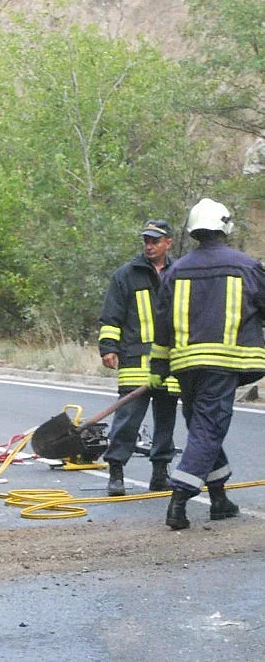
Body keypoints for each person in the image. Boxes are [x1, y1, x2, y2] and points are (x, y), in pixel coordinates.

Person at [149, 199, 265, 530]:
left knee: (202, 428)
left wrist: (159, 366)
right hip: (224, 365)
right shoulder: (247, 267)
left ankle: (219, 500)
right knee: (208, 429)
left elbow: (162, 324)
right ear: (225, 226)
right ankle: (179, 500)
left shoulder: (175, 271)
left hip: (185, 367)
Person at [98, 220, 179, 495]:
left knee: (166, 421)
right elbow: (111, 315)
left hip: (170, 360)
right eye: (146, 240)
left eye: (155, 240)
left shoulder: (180, 272)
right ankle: (116, 473)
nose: (149, 245)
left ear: (168, 242)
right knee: (127, 420)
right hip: (135, 360)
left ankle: (160, 473)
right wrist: (109, 347)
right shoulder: (126, 275)